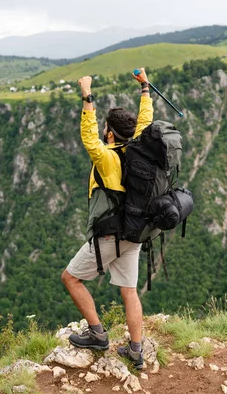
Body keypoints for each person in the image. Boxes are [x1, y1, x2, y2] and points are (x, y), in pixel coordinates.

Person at [61, 68, 153, 370]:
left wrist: (87, 95)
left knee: (71, 278)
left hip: (109, 236)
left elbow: (88, 136)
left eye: (105, 128)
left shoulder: (107, 156)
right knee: (129, 290)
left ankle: (98, 334)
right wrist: (145, 90)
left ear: (110, 133)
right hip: (135, 232)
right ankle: (136, 351)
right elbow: (146, 123)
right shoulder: (139, 148)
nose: (102, 131)